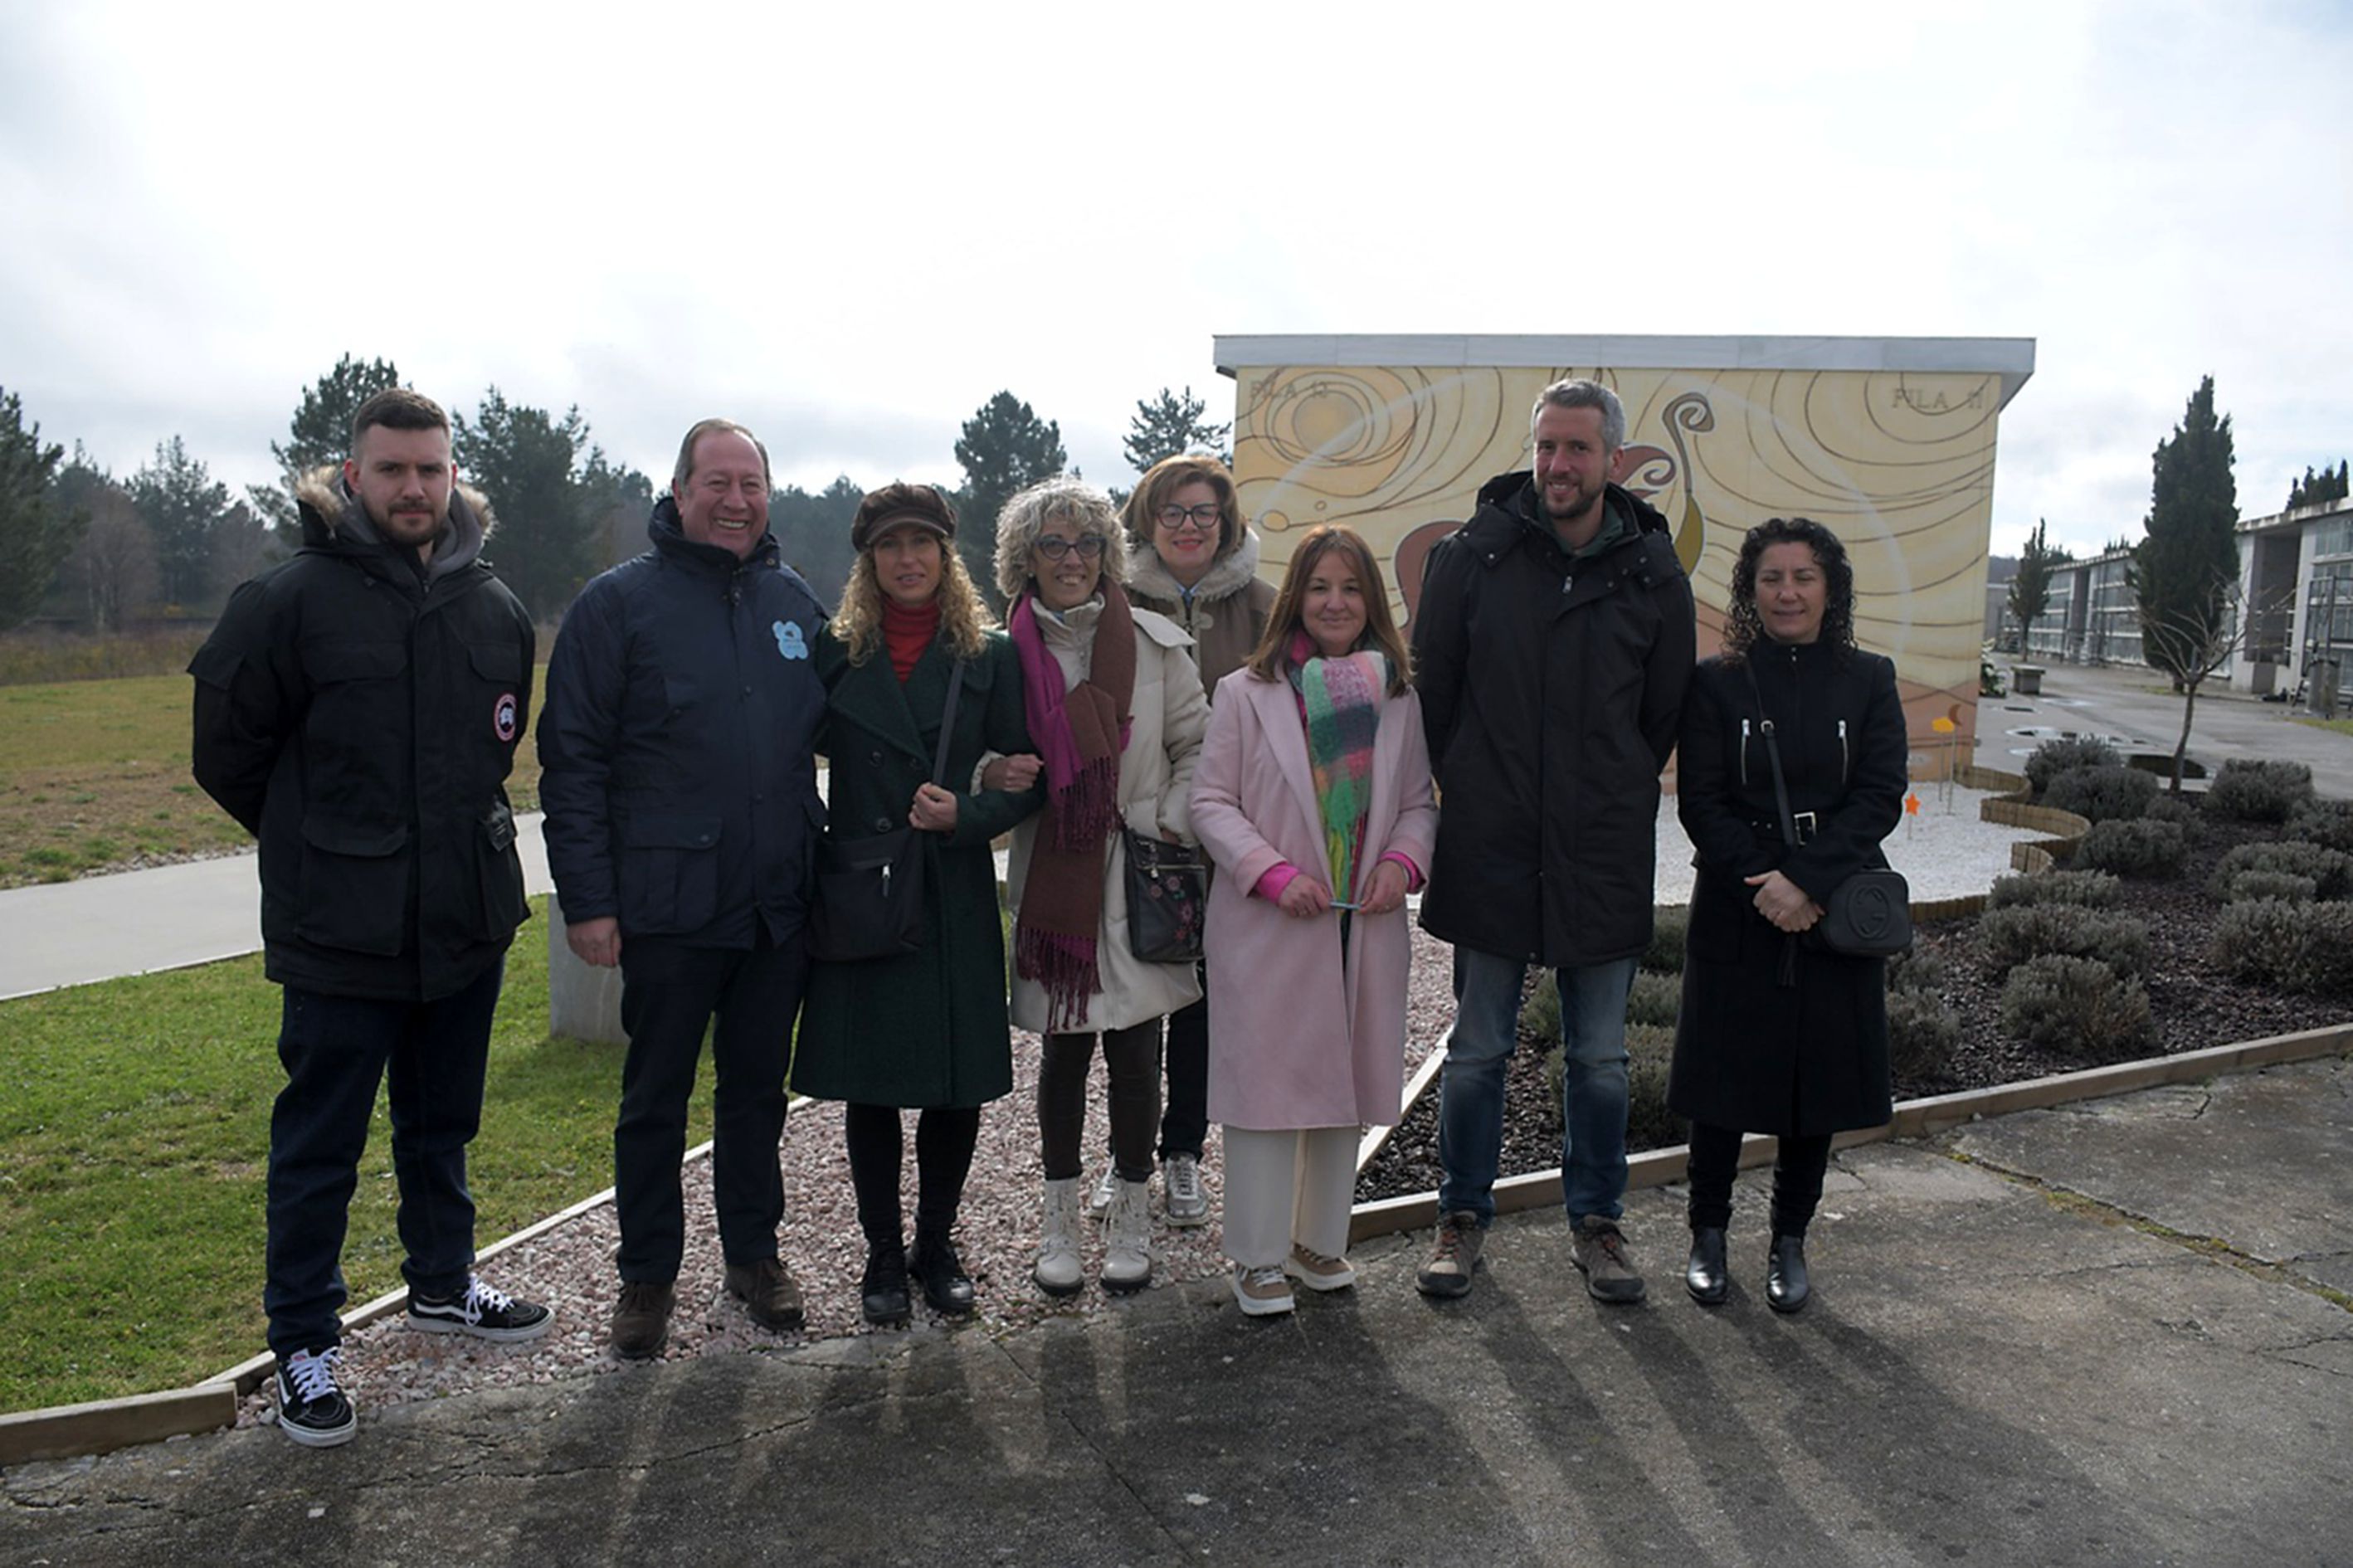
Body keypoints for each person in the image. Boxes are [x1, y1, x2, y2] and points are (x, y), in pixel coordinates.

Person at [189, 387, 550, 1447]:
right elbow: (228, 756)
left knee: (444, 1125)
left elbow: (494, 749)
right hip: (341, 931)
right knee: (321, 1145)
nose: (412, 488)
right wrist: (323, 844)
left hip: (464, 921)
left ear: (453, 476)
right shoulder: (289, 599)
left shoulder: (494, 604)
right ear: (351, 476)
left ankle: (443, 1282)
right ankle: (304, 1340)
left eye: (430, 469)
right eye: (391, 470)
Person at [537, 418, 828, 1359]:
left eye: (752, 483)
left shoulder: (795, 604)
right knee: (654, 1099)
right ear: (677, 492)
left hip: (775, 904)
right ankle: (646, 1276)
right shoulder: (616, 607)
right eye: (717, 483)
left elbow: (847, 732)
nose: (736, 500)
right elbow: (572, 759)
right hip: (666, 905)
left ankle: (753, 1256)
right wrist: (587, 899)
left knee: (756, 1094)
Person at [1410, 377, 1696, 1303]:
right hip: (1492, 841)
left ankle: (1599, 1223)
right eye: (1544, 447)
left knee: (1602, 1058)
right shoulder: (1471, 559)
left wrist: (1598, 789)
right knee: (1477, 1049)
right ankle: (1459, 1217)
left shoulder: (1655, 573)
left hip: (1601, 847)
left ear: (1613, 460)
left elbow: (1659, 717)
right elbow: (1435, 692)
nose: (1557, 465)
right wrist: (1487, 784)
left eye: (1575, 448)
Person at [794, 483, 1041, 1326]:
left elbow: (1025, 772)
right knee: (871, 1085)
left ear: (946, 555)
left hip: (949, 891)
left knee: (951, 1084)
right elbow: (786, 753)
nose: (908, 560)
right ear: (869, 560)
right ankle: (880, 1256)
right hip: (864, 888)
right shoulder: (835, 653)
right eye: (891, 546)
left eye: (923, 544)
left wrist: (967, 814)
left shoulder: (990, 654)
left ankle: (936, 1247)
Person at [1190, 525, 1437, 1316]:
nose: (1335, 603)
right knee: (1266, 1094)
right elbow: (1209, 803)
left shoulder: (1399, 697)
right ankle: (1257, 1257)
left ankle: (1317, 1241)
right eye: (1321, 587)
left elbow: (1416, 805)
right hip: (1273, 924)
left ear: (1372, 603)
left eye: (1351, 588)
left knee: (1344, 1086)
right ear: (1295, 598)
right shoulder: (1245, 693)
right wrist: (1271, 872)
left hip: (1359, 922)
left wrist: (1401, 864)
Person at [1669, 517, 1905, 1312]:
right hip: (1740, 903)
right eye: (1772, 578)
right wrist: (1763, 883)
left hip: (1831, 904)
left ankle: (1790, 1240)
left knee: (1817, 1084)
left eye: (1804, 577)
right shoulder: (1717, 682)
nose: (1788, 592)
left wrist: (1804, 882)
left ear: (1830, 588)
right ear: (1750, 590)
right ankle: (1707, 1234)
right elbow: (1700, 800)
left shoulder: (1869, 679)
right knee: (1722, 1082)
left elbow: (1877, 797)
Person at [994, 478, 1207, 1296]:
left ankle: (1130, 1211)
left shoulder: (1154, 644)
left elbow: (1199, 742)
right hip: (1055, 875)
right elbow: (979, 755)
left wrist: (1170, 817)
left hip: (1142, 873)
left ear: (1106, 552)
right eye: (1053, 545)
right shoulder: (1000, 654)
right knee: (1063, 1051)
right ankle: (1057, 1219)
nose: (1072, 559)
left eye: (1086, 544)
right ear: (1026, 559)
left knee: (1138, 1052)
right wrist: (994, 771)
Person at [1112, 454, 1279, 1228]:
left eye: (1202, 513)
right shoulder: (1113, 602)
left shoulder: (1264, 609)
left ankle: (1184, 1154)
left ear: (1226, 522)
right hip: (1140, 834)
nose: (1187, 527)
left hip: (1234, 839)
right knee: (1138, 1005)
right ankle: (1130, 1164)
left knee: (1207, 1004)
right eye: (1172, 512)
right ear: (1148, 521)